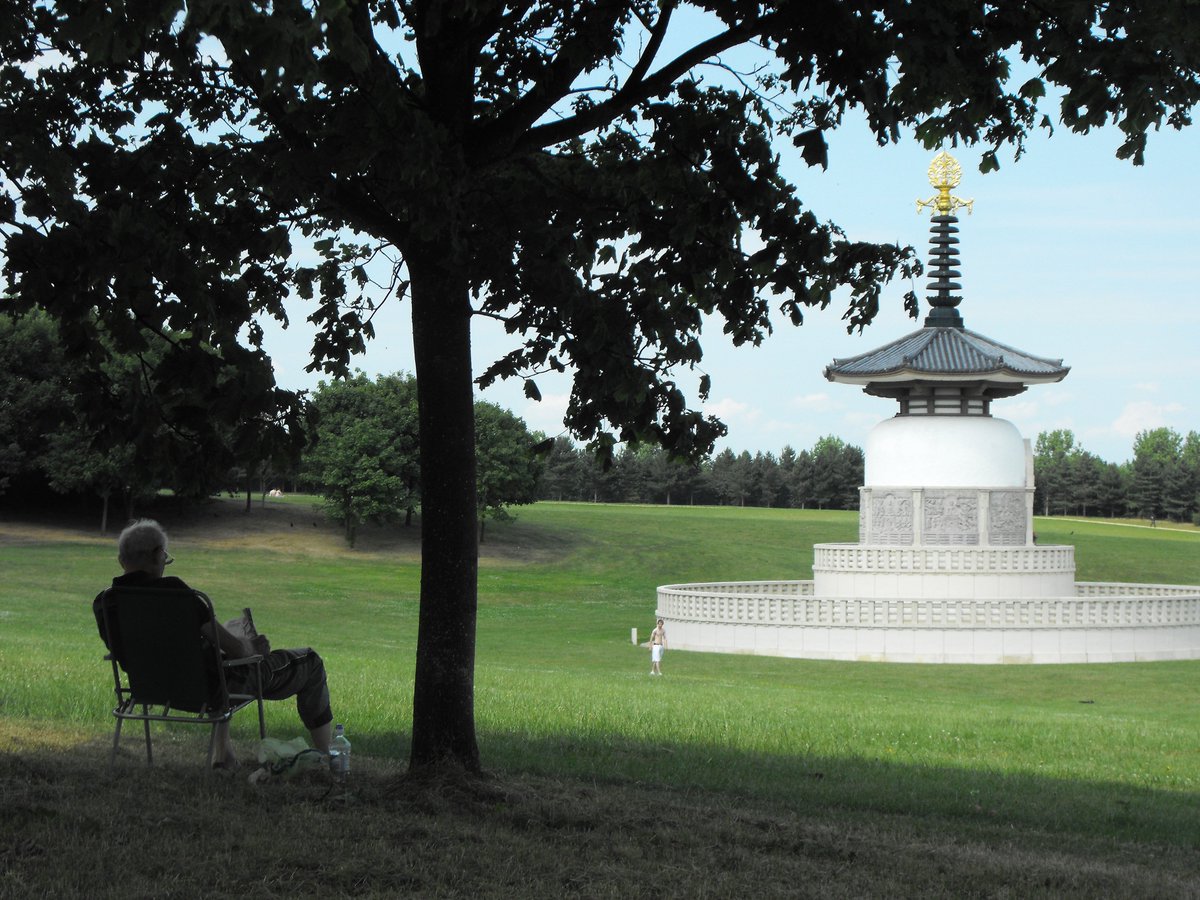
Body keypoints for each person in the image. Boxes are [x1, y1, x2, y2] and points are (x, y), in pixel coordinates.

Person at [95, 518, 334, 769]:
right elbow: (237, 651)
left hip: (149, 689)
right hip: (209, 690)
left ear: (121, 560)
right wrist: (253, 647)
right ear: (157, 555)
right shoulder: (175, 593)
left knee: (212, 662)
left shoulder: (106, 602)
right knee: (310, 662)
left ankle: (223, 755)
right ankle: (327, 755)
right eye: (165, 557)